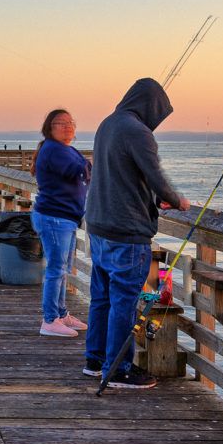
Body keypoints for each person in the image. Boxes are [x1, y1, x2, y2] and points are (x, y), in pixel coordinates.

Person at [84, 78, 190, 390]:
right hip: (127, 232)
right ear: (151, 106)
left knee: (101, 298)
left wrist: (156, 198)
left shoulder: (108, 124)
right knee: (124, 303)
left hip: (100, 226)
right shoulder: (137, 131)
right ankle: (117, 370)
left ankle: (95, 360)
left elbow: (126, 175)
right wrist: (178, 199)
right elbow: (154, 174)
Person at [30, 109, 91, 337]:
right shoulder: (54, 150)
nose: (67, 126)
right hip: (55, 218)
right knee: (56, 270)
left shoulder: (66, 149)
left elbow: (85, 169)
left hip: (66, 217)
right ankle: (49, 320)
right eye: (60, 123)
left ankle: (62, 314)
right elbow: (80, 170)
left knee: (63, 269)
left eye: (70, 122)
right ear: (49, 127)